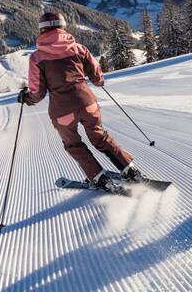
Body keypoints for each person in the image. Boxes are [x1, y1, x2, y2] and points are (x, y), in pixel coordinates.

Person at [19, 10, 145, 191]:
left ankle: (99, 178)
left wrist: (27, 99)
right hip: (88, 103)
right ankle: (130, 170)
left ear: (41, 30)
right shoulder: (79, 49)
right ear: (63, 27)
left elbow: (37, 93)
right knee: (100, 137)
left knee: (74, 145)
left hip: (62, 111)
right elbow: (97, 77)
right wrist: (99, 81)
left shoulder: (37, 58)